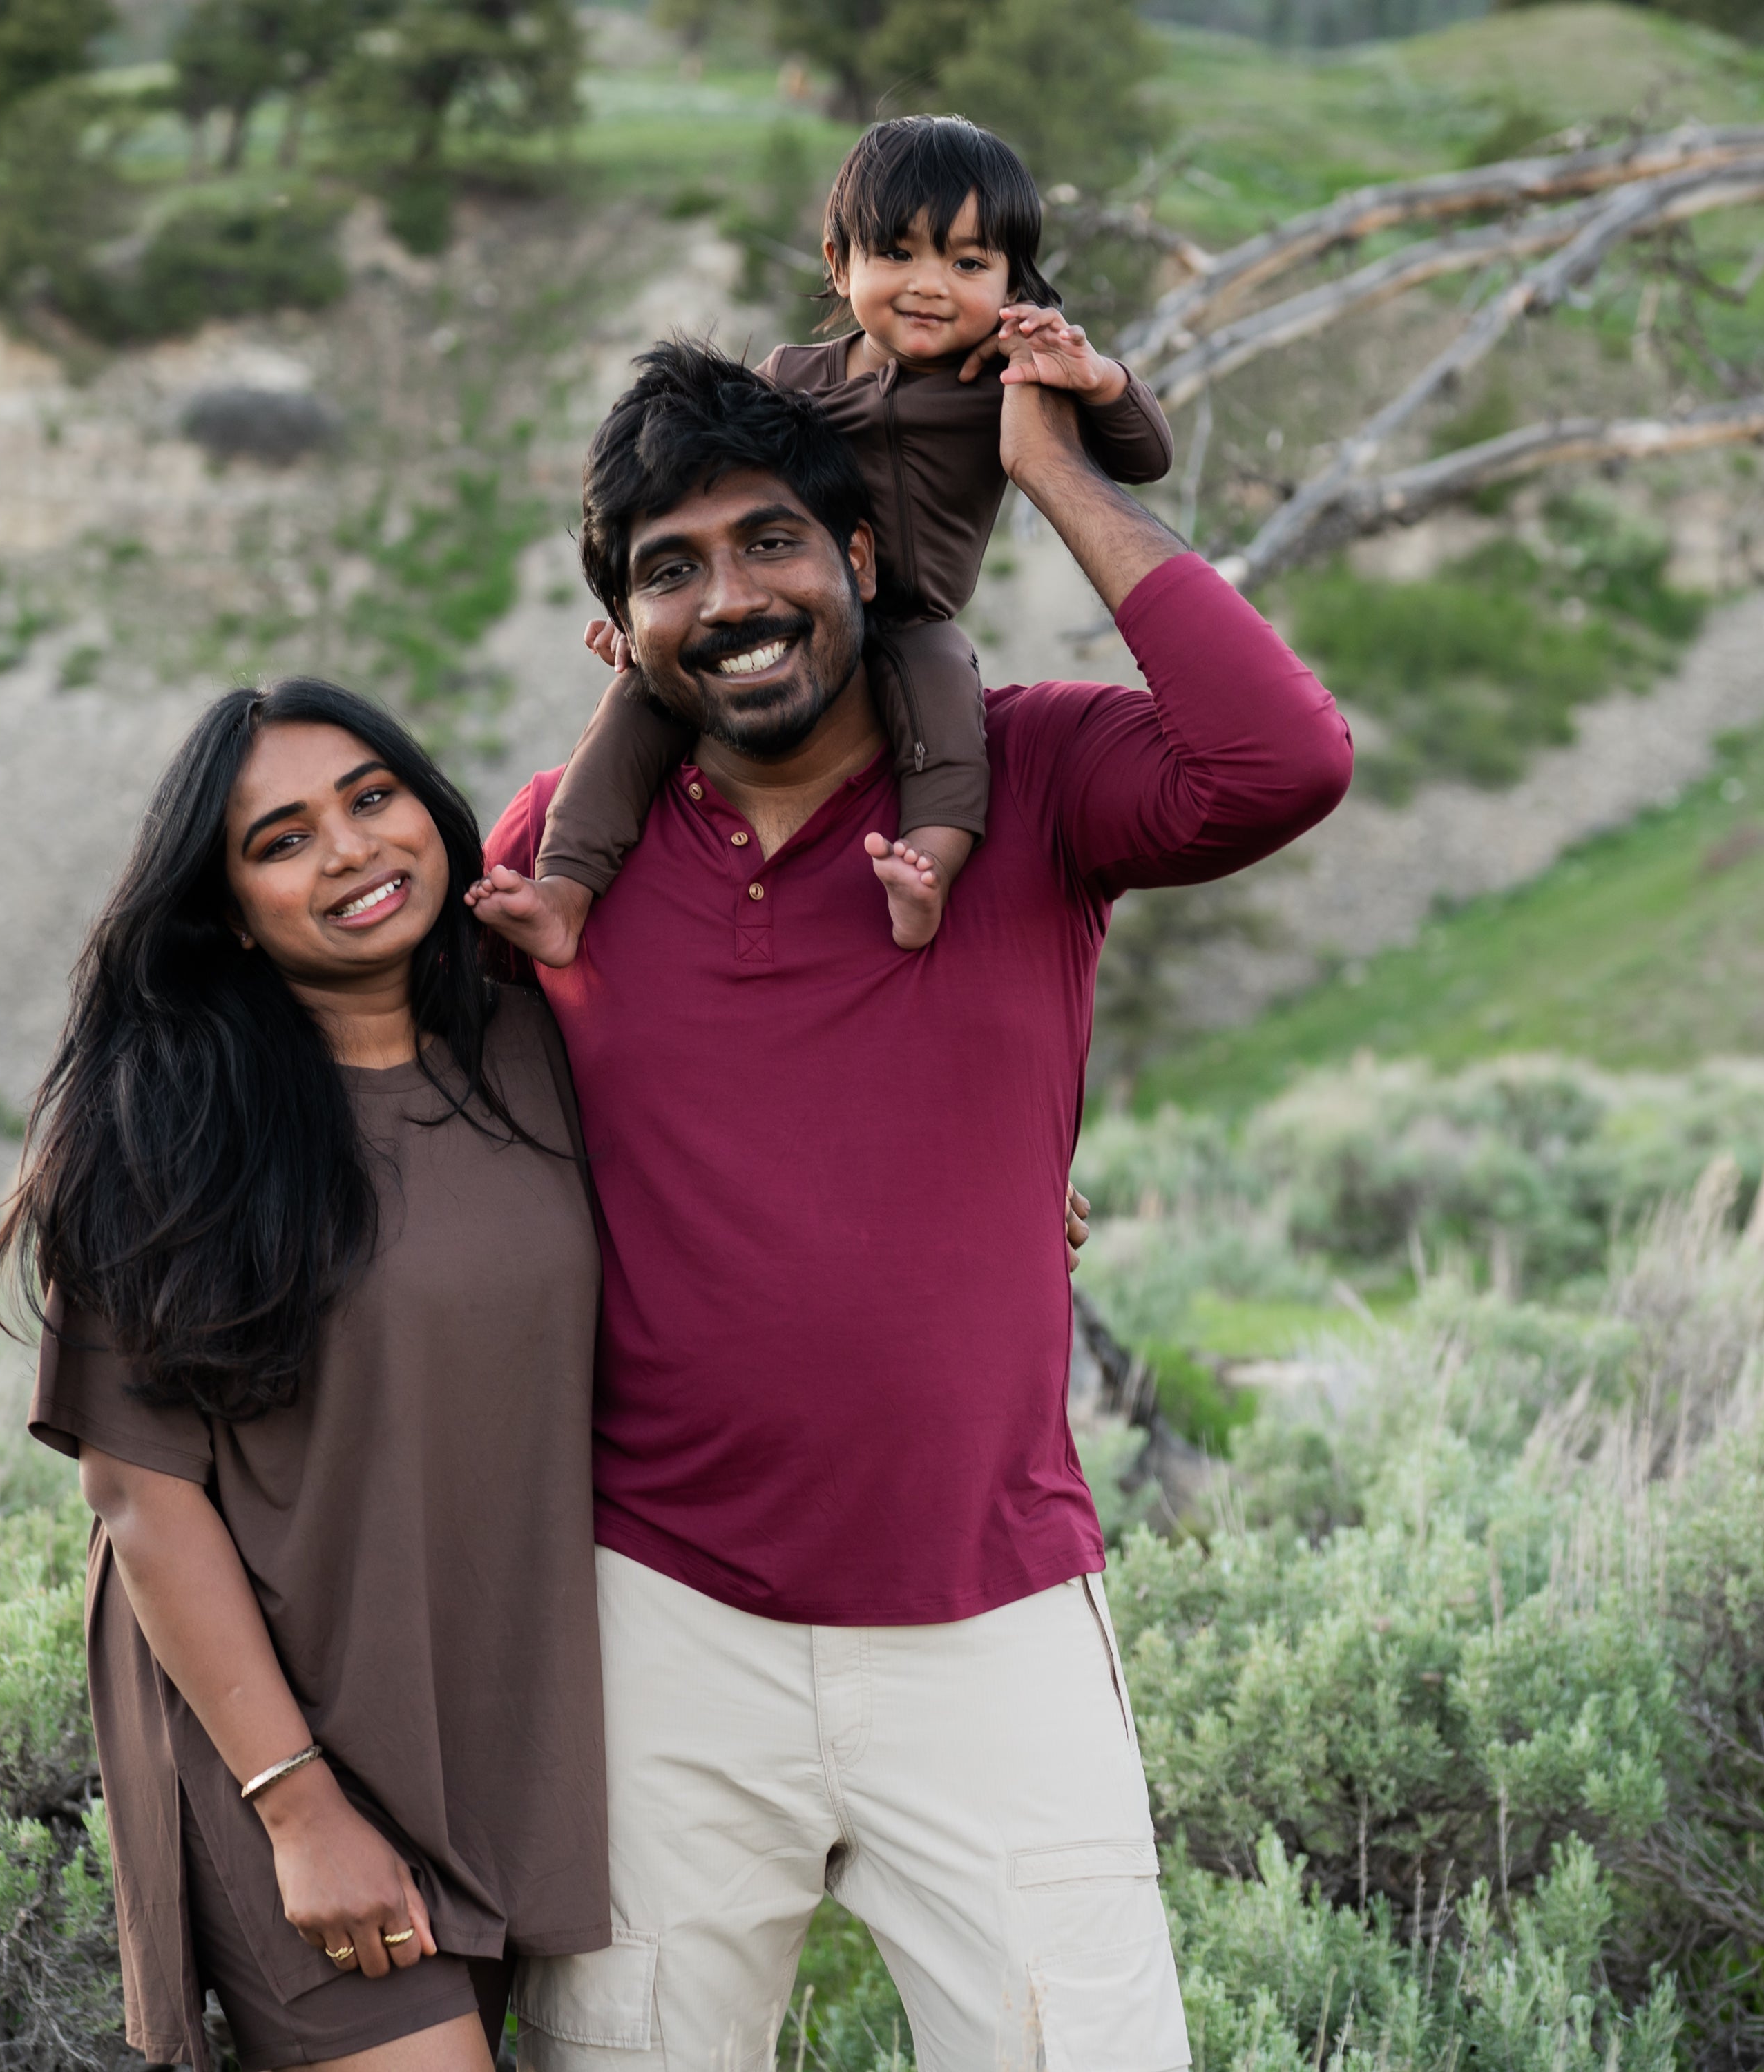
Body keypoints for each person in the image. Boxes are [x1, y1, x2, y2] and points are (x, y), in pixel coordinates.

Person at [468, 339, 1352, 2070]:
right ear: (619, 637)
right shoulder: (557, 863)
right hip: (660, 1620)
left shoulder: (1029, 780)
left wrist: (1050, 469)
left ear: (860, 555)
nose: (733, 597)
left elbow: (1282, 761)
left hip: (990, 1614)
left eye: (771, 541)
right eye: (671, 569)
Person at [0, 680, 608, 2072]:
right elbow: (139, 1495)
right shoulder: (165, 1123)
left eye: (371, 797)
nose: (349, 851)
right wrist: (295, 1804)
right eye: (281, 839)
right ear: (224, 907)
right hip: (280, 1723)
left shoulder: (530, 1041)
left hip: (501, 1719)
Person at [483, 115, 1172, 965]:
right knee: (632, 713)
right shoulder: (787, 380)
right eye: (898, 255)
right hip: (796, 611)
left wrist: (1098, 380)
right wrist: (639, 623)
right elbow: (681, 501)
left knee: (948, 712)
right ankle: (563, 888)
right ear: (839, 263)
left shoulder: (1005, 380)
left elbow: (1146, 458)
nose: (930, 285)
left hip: (911, 616)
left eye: (968, 263)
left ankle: (927, 874)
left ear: (1012, 283)